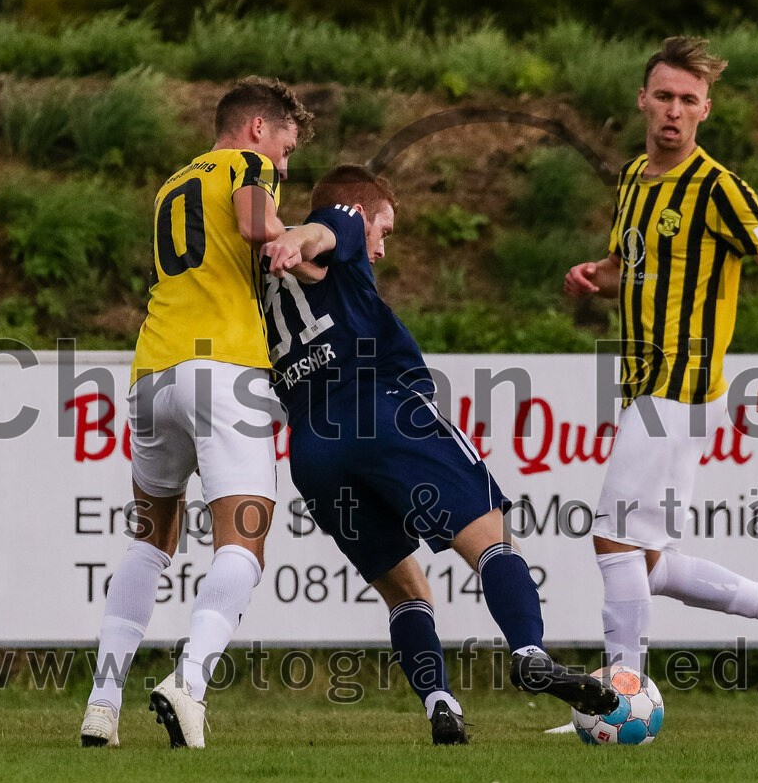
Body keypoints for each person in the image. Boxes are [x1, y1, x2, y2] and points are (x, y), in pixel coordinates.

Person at [260, 164, 618, 743]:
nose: (379, 248)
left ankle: (439, 702)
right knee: (494, 541)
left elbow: (303, 254)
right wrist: (302, 235)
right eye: (385, 230)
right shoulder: (341, 222)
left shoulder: (262, 278)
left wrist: (283, 247)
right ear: (365, 214)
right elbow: (323, 232)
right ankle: (528, 652)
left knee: (405, 589)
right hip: (384, 412)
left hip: (311, 448)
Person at [563, 37, 758, 700]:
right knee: (647, 561)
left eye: (687, 100)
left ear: (705, 110)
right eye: (664, 97)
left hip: (678, 392)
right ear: (642, 100)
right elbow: (631, 260)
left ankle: (621, 692)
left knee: (611, 543)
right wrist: (593, 276)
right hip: (646, 390)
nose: (673, 112)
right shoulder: (633, 178)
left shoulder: (718, 188)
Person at [79, 77, 314, 748]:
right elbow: (255, 224)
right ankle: (189, 683)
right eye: (287, 149)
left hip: (154, 370)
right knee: (244, 540)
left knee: (149, 542)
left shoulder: (170, 184)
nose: (284, 168)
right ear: (259, 130)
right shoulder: (249, 165)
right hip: (223, 371)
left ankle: (101, 703)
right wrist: (300, 241)